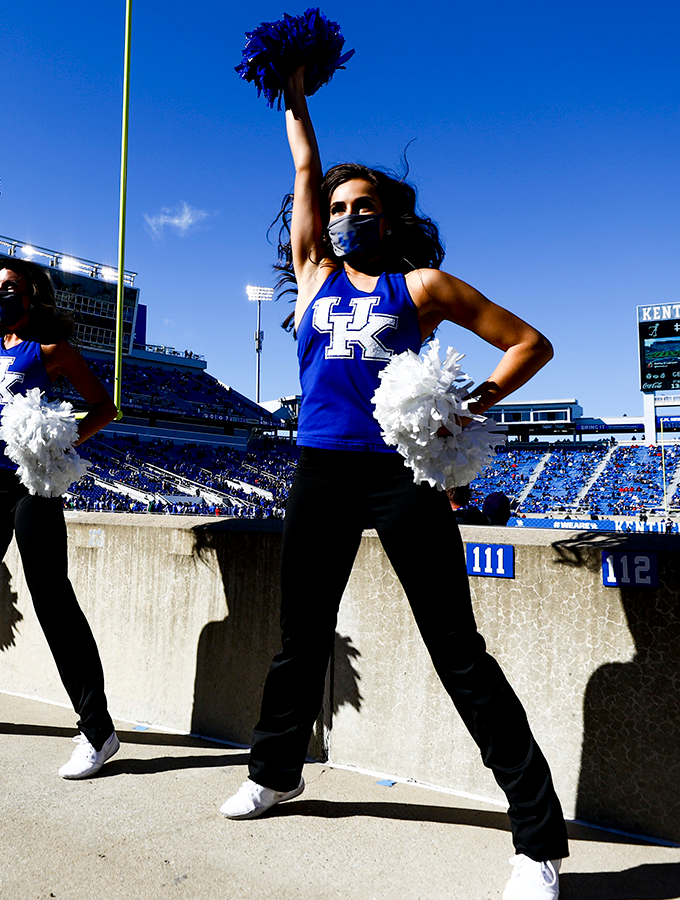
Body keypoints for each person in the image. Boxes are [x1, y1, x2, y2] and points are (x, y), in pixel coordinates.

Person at [219, 64, 568, 900]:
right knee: (300, 635)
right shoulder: (311, 277)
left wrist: (469, 402)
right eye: (337, 209)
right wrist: (297, 95)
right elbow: (305, 168)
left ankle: (537, 841)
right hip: (320, 471)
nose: (345, 218)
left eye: (362, 206)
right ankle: (276, 772)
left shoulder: (424, 288)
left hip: (401, 476)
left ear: (392, 217)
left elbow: (530, 343)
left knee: (457, 647)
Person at [0, 216, 122, 780]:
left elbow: (102, 409)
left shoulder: (51, 350)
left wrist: (58, 444)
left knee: (52, 597)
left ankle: (98, 731)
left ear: (32, 295)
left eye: (11, 287)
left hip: (29, 483)